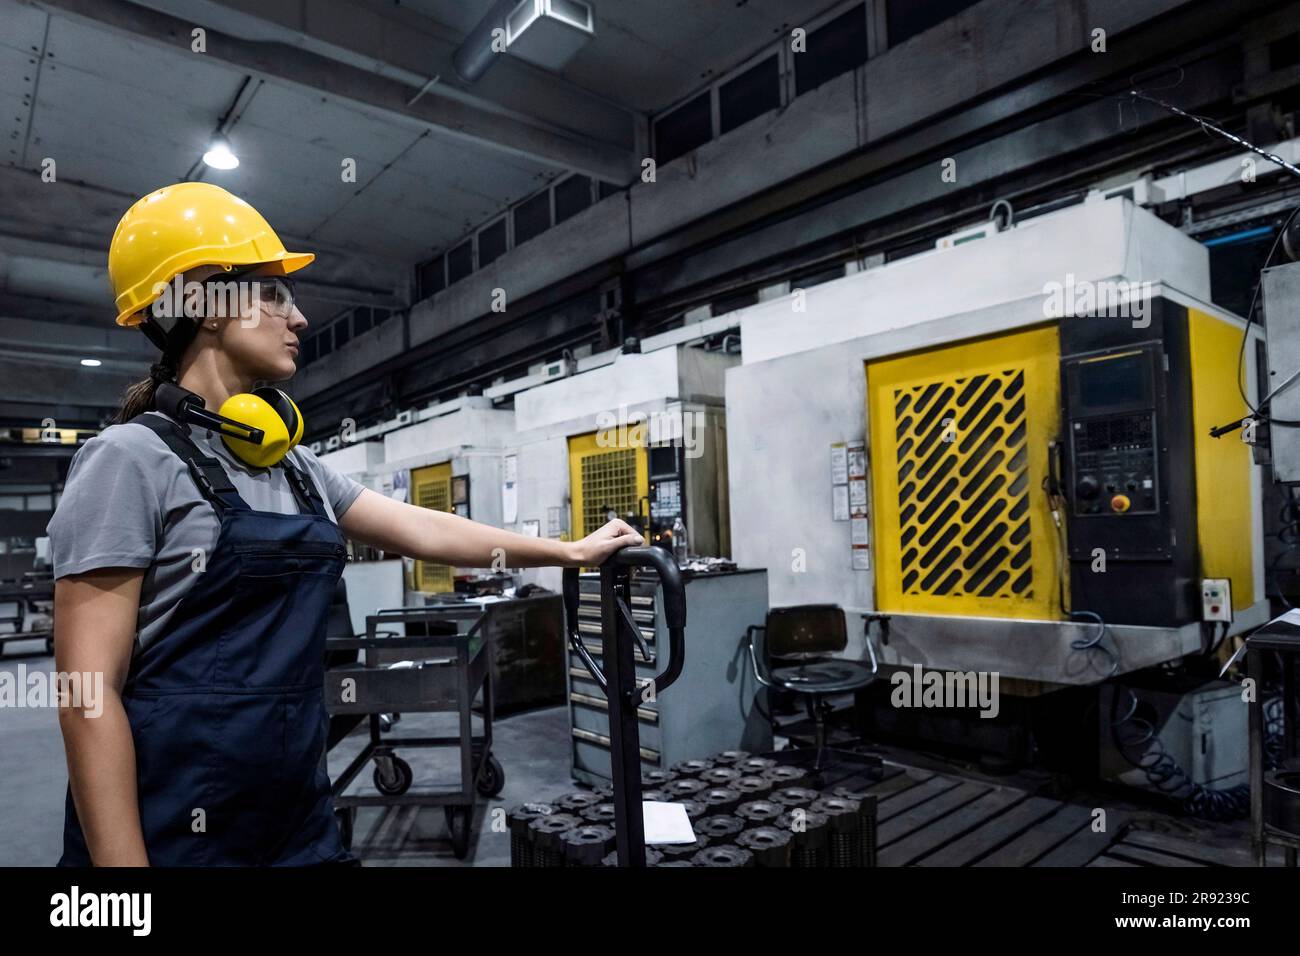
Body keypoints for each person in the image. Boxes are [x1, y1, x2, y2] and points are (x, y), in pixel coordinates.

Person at [51, 182, 641, 866]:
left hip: (298, 819)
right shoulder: (128, 460)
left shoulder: (296, 468)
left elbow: (425, 530)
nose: (298, 318)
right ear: (205, 301)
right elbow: (87, 698)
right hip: (174, 835)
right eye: (274, 293)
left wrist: (567, 551)